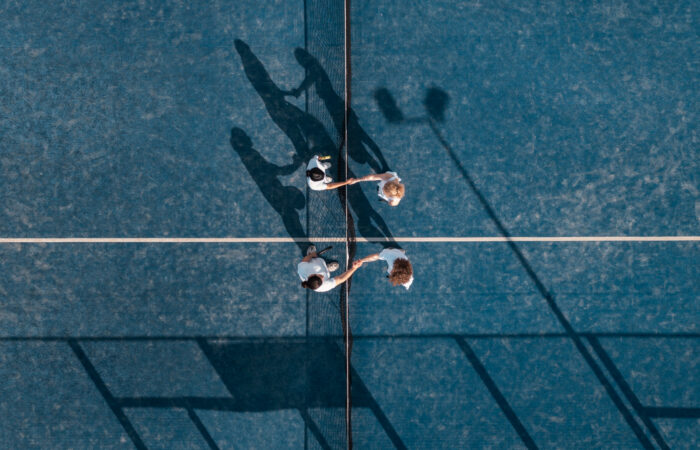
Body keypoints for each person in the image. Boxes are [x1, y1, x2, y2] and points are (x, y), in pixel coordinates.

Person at [298, 245, 364, 291]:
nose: (323, 277)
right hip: (321, 265)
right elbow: (341, 278)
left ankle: (311, 253)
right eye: (322, 279)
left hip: (315, 260)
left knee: (309, 256)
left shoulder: (303, 269)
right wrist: (354, 268)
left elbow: (305, 259)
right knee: (326, 272)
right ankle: (327, 268)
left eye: (320, 275)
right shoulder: (324, 286)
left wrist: (312, 255)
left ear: (312, 275)